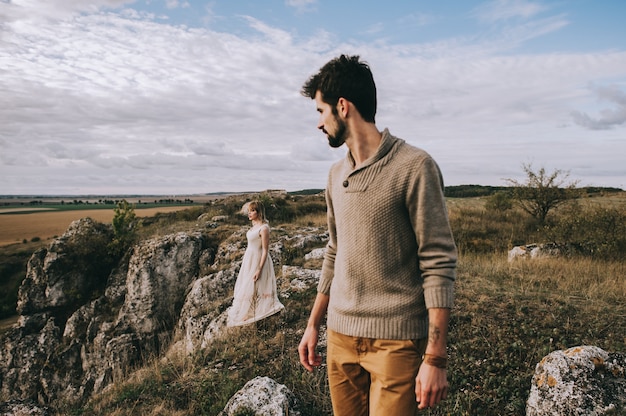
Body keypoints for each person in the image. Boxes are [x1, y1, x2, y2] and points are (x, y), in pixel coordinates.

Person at [297, 55, 458, 415]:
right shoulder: (334, 175)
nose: (319, 124)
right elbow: (334, 251)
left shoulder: (414, 166)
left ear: (343, 107)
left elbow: (438, 261)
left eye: (321, 111)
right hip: (339, 337)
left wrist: (435, 356)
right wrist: (313, 325)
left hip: (396, 342)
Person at [227, 200, 284, 327]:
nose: (249, 213)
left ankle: (256, 309)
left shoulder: (264, 228)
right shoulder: (253, 226)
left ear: (259, 212)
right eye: (249, 211)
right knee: (248, 283)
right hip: (249, 258)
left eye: (252, 210)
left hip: (258, 259)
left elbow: (265, 250)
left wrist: (259, 269)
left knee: (256, 282)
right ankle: (249, 309)